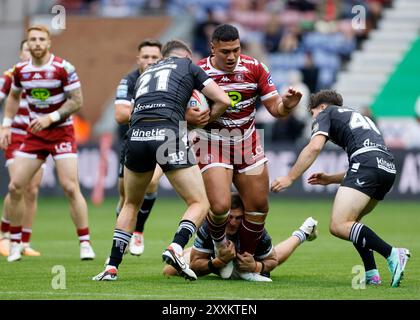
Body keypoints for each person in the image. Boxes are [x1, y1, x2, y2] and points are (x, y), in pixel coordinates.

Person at [92, 39, 231, 281]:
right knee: (199, 203)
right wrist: (203, 121)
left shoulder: (146, 73)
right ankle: (176, 247)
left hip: (135, 135)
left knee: (130, 204)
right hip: (166, 134)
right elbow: (224, 100)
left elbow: (135, 110)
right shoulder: (188, 66)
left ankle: (111, 267)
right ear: (186, 55)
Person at [193, 24, 303, 280]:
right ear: (212, 49)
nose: (231, 56)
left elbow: (275, 108)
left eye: (236, 50)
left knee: (258, 206)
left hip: (246, 142)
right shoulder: (197, 72)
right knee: (220, 206)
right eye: (225, 52)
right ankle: (221, 248)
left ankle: (246, 264)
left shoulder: (255, 67)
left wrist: (286, 105)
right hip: (212, 141)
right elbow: (186, 112)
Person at [271, 89, 410, 287]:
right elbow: (368, 158)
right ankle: (371, 273)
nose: (313, 119)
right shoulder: (356, 115)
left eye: (312, 114)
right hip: (386, 167)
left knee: (338, 225)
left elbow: (314, 147)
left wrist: (289, 177)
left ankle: (392, 253)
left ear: (321, 107)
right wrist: (331, 178)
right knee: (352, 223)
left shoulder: (326, 113)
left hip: (366, 164)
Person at [0, 25, 95, 262]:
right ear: (28, 44)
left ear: (49, 42)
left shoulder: (63, 68)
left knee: (70, 187)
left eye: (42, 39)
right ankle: (14, 244)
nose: (37, 43)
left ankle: (85, 243)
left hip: (61, 132)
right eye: (33, 39)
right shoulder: (20, 70)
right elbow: (12, 96)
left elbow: (77, 101)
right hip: (35, 135)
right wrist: (6, 124)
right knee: (15, 187)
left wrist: (51, 117)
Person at [163, 193, 318, 281]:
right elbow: (196, 266)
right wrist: (219, 261)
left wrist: (256, 267)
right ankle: (192, 249)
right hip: (213, 256)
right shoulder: (209, 226)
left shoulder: (257, 232)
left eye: (238, 218)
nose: (233, 222)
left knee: (270, 253)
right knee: (168, 271)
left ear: (244, 218)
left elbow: (272, 260)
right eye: (229, 217)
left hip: (247, 257)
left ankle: (303, 233)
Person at [114, 39, 163, 256]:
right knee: (126, 196)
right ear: (138, 59)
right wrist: (152, 109)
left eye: (155, 57)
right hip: (134, 138)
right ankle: (123, 229)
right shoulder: (129, 80)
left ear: (162, 59)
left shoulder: (169, 79)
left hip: (165, 137)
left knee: (151, 182)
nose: (150, 61)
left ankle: (138, 232)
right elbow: (120, 115)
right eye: (146, 57)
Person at [0, 40, 44, 257]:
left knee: (32, 189)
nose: (30, 53)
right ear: (20, 53)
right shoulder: (11, 75)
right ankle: (4, 236)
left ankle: (24, 241)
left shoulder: (46, 75)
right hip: (16, 136)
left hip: (38, 136)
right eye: (26, 49)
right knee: (17, 185)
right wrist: (3, 127)